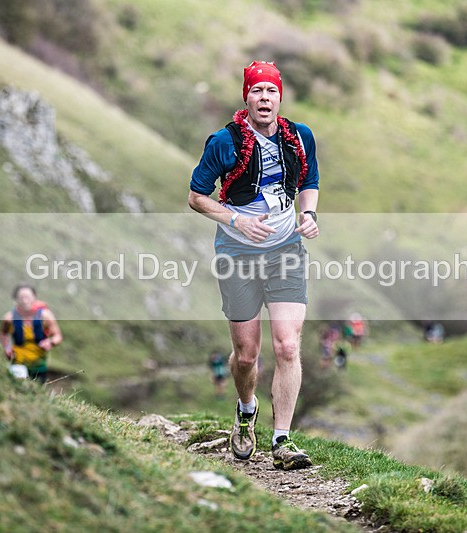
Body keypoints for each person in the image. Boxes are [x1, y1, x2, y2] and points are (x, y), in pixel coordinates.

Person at [188, 61, 320, 471]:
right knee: (247, 356)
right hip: (238, 254)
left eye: (271, 91)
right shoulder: (224, 143)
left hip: (285, 251)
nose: (265, 98)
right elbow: (196, 196)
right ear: (246, 97)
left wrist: (310, 214)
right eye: (257, 91)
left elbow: (310, 179)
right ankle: (246, 411)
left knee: (288, 345)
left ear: (280, 97)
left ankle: (282, 440)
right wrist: (235, 219)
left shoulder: (299, 137)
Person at [0, 284, 62, 383]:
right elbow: (3, 334)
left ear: (34, 297)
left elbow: (58, 336)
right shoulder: (9, 318)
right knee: (19, 388)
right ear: (16, 299)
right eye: (21, 297)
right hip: (18, 362)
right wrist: (7, 347)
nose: (25, 300)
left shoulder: (45, 316)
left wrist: (50, 342)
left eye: (27, 297)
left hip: (39, 364)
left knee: (38, 392)